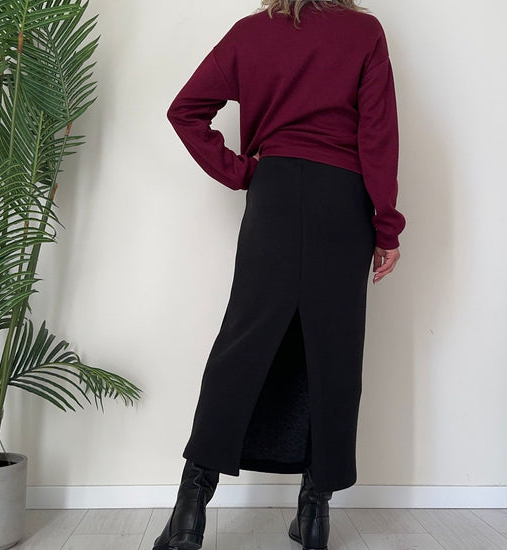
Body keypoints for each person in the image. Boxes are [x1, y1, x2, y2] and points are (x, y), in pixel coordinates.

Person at [154, 0, 407, 548]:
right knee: (334, 353)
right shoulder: (364, 30)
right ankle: (315, 514)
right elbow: (378, 137)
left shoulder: (251, 32)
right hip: (344, 202)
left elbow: (185, 110)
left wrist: (244, 172)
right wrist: (386, 226)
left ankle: (189, 513)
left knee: (241, 346)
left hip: (274, 194)